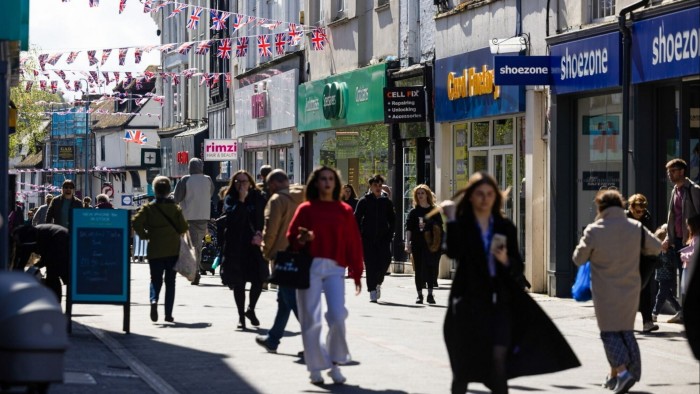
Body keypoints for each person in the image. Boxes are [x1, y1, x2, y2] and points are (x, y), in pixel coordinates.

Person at [443, 172, 580, 394]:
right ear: (470, 197)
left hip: (500, 302)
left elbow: (517, 266)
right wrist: (451, 219)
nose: (485, 199)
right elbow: (453, 251)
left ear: (496, 197)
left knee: (498, 362)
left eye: (489, 194)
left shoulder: (504, 226)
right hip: (467, 302)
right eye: (479, 194)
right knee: (463, 369)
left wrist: (506, 259)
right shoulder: (464, 224)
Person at [573, 189, 662, 393]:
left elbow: (578, 258)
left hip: (605, 291)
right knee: (625, 331)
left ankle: (623, 372)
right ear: (622, 205)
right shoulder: (636, 227)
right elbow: (656, 247)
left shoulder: (594, 230)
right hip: (631, 288)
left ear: (600, 207)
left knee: (609, 333)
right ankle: (623, 373)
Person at [287, 166, 364, 385]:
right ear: (316, 183)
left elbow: (353, 242)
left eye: (331, 179)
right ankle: (316, 367)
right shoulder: (306, 209)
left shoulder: (344, 210)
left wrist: (357, 272)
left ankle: (335, 362)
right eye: (323, 179)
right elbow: (291, 238)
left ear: (336, 183)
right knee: (311, 319)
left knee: (338, 316)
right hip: (310, 266)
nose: (327, 182)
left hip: (335, 268)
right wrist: (303, 239)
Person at [255, 169, 305, 353]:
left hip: (283, 255)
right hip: (303, 253)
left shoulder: (277, 200)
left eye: (269, 186)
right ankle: (273, 338)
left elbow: (271, 230)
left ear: (274, 184)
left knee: (291, 299)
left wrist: (266, 252)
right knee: (284, 299)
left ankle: (315, 341)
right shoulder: (304, 194)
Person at [132, 176, 188, 323]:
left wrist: (145, 235)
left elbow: (136, 222)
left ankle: (153, 300)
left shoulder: (149, 208)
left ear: (155, 190)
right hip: (172, 250)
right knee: (171, 282)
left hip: (155, 249)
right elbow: (183, 227)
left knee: (155, 280)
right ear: (169, 190)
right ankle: (168, 314)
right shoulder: (175, 208)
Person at [219, 170, 268, 330]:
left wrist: (261, 232)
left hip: (253, 244)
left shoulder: (257, 196)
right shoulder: (230, 197)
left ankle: (251, 309)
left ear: (250, 182)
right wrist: (240, 199)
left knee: (259, 279)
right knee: (238, 282)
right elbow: (232, 217)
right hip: (236, 246)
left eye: (244, 181)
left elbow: (262, 216)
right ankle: (241, 316)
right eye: (238, 181)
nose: (241, 185)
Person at [662, 158, 700, 322]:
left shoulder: (694, 189)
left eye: (673, 171)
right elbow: (672, 216)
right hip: (678, 240)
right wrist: (667, 237)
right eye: (669, 172)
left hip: (691, 242)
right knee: (682, 277)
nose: (670, 174)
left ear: (682, 171)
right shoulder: (674, 191)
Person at [173, 157, 215, 285]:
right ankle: (195, 270)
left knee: (193, 246)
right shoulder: (208, 179)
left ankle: (195, 272)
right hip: (203, 217)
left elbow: (177, 197)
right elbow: (210, 193)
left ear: (190, 167)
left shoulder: (185, 179)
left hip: (189, 217)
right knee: (197, 245)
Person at [355, 174, 395, 302]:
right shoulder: (364, 201)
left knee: (385, 261)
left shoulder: (386, 202)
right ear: (370, 187)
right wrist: (360, 235)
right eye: (375, 185)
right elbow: (356, 219)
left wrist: (389, 235)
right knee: (371, 265)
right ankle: (372, 290)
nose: (377, 187)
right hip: (367, 239)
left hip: (383, 239)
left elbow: (393, 220)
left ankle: (378, 282)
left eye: (379, 185)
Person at [625, 193, 659, 333]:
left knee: (645, 290)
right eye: (638, 211)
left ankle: (647, 322)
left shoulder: (647, 217)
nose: (641, 213)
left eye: (643, 210)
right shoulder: (623, 218)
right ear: (631, 207)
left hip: (644, 258)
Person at [10, 223, 70, 302]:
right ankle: (62, 297)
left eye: (16, 240)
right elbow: (21, 256)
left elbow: (24, 257)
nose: (16, 243)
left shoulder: (29, 237)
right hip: (62, 239)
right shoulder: (30, 233)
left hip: (59, 240)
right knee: (62, 272)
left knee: (52, 274)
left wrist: (16, 273)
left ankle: (55, 301)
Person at [405, 184, 443, 304]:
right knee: (419, 269)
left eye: (422, 193)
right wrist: (407, 243)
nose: (420, 196)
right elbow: (408, 229)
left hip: (431, 244)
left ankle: (430, 294)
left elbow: (440, 227)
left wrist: (428, 224)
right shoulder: (413, 212)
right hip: (417, 243)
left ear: (427, 195)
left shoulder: (434, 211)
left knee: (431, 268)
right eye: (418, 194)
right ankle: (420, 295)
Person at [652, 224, 683, 323]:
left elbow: (670, 262)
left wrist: (665, 252)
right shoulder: (660, 250)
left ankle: (654, 314)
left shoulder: (670, 251)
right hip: (662, 276)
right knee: (668, 296)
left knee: (660, 295)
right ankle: (679, 310)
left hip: (667, 277)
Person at [675, 214, 700, 324]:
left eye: (688, 225)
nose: (687, 227)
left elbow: (694, 254)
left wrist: (683, 256)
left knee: (687, 291)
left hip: (689, 267)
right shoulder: (695, 237)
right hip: (687, 267)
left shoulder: (697, 238)